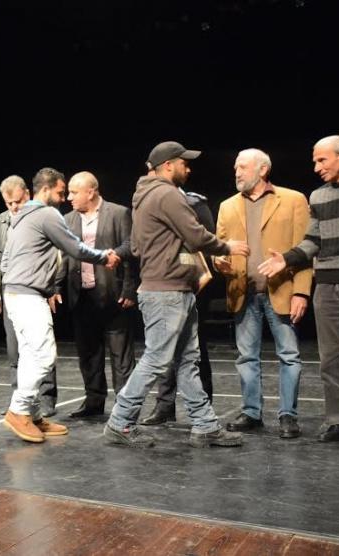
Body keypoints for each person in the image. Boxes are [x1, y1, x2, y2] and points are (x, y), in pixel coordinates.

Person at [104, 141, 249, 448]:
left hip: (170, 289)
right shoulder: (167, 194)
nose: (188, 168)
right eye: (184, 162)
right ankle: (120, 421)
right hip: (166, 292)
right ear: (168, 165)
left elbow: (137, 246)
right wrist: (227, 246)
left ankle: (204, 425)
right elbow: (195, 235)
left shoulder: (144, 197)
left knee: (186, 360)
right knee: (157, 360)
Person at [259, 135, 339, 445]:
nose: (316, 167)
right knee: (331, 359)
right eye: (314, 161)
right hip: (327, 285)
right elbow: (313, 241)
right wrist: (286, 258)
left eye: (322, 160)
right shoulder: (319, 196)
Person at [0, 167, 119, 443]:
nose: (64, 198)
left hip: (17, 293)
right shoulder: (46, 214)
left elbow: (6, 261)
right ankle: (18, 411)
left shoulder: (20, 217)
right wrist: (104, 257)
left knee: (30, 355)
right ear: (46, 189)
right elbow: (74, 247)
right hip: (28, 295)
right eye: (60, 192)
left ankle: (31, 414)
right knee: (43, 355)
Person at [213, 149, 311, 439]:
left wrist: (301, 292)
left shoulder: (293, 200)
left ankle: (288, 415)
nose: (237, 172)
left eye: (242, 167)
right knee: (246, 357)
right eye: (235, 167)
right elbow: (218, 247)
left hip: (281, 290)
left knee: (289, 355)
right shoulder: (227, 206)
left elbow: (305, 251)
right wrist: (219, 261)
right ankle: (251, 412)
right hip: (243, 291)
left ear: (263, 170)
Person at [57, 171, 137, 419]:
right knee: (88, 353)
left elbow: (131, 248)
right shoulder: (67, 219)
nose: (69, 197)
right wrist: (55, 288)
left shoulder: (118, 213)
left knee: (121, 355)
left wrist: (129, 288)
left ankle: (125, 407)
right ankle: (93, 402)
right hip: (81, 295)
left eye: (74, 192)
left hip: (114, 295)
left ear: (90, 192)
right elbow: (63, 257)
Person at [141, 178, 218, 425]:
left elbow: (206, 242)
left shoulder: (194, 203)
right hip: (165, 282)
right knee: (164, 348)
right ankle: (165, 406)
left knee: (194, 350)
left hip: (193, 283)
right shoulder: (152, 202)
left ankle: (204, 406)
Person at [0, 176, 58, 416]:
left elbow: (53, 254)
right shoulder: (0, 222)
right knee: (16, 349)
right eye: (8, 203)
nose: (14, 207)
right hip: (11, 291)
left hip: (34, 289)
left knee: (39, 347)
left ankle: (46, 400)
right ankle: (20, 402)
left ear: (27, 194)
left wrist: (53, 288)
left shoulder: (40, 216)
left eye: (17, 201)